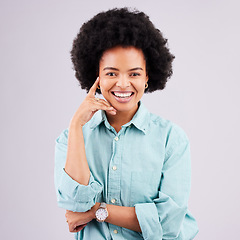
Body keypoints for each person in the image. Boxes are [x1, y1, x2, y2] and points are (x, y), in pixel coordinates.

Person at [54, 7, 199, 240]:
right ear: (97, 77)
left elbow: (169, 222)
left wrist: (97, 211)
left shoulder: (171, 139)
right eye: (111, 73)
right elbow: (74, 206)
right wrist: (75, 126)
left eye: (134, 74)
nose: (123, 84)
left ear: (147, 77)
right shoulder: (71, 138)